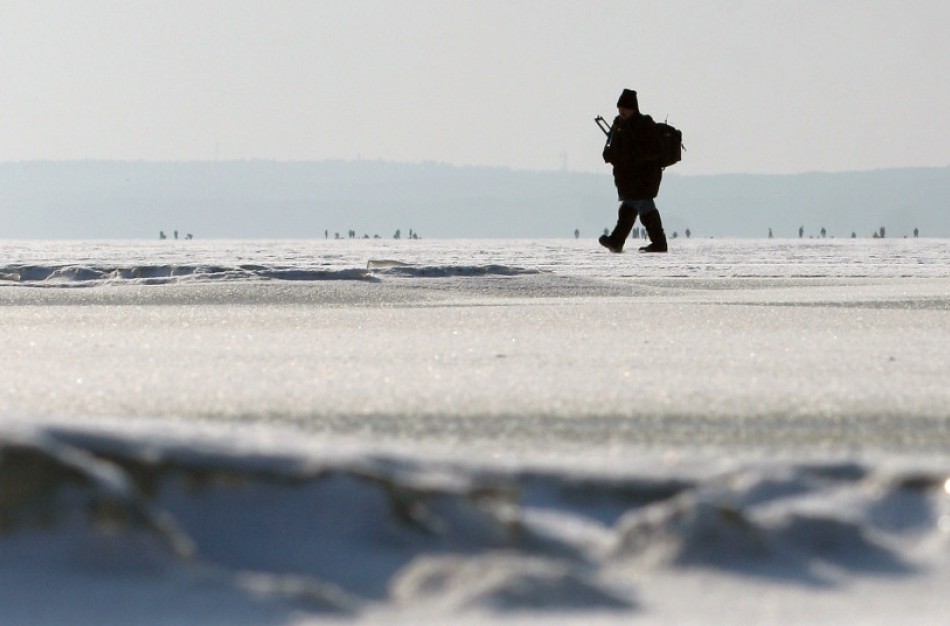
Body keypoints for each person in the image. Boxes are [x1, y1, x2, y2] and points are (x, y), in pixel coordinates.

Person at [599, 89, 667, 253]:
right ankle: (659, 243)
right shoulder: (618, 125)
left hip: (644, 177)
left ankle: (617, 240)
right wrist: (609, 155)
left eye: (625, 108)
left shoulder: (644, 124)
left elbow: (655, 149)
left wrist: (634, 156)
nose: (621, 111)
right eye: (620, 108)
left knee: (629, 207)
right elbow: (614, 147)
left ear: (633, 109)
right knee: (646, 208)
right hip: (627, 177)